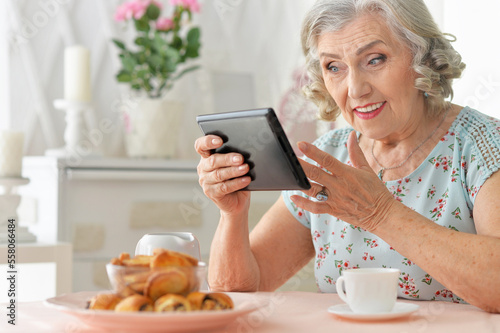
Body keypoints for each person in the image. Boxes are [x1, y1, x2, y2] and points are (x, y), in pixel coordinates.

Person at [194, 0, 500, 313]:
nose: (355, 89)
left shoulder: (482, 144)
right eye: (334, 67)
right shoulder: (328, 156)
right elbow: (240, 291)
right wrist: (232, 214)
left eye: (375, 60)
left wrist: (381, 214)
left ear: (423, 57)